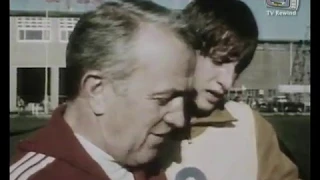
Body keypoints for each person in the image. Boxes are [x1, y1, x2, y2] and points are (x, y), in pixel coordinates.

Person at [10, 1, 196, 179]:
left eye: (183, 98)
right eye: (163, 99)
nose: (179, 120)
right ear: (97, 90)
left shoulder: (155, 165)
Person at [159, 0, 300, 180]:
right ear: (187, 47)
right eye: (220, 61)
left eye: (238, 69)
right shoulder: (140, 123)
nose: (228, 82)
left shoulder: (250, 127)